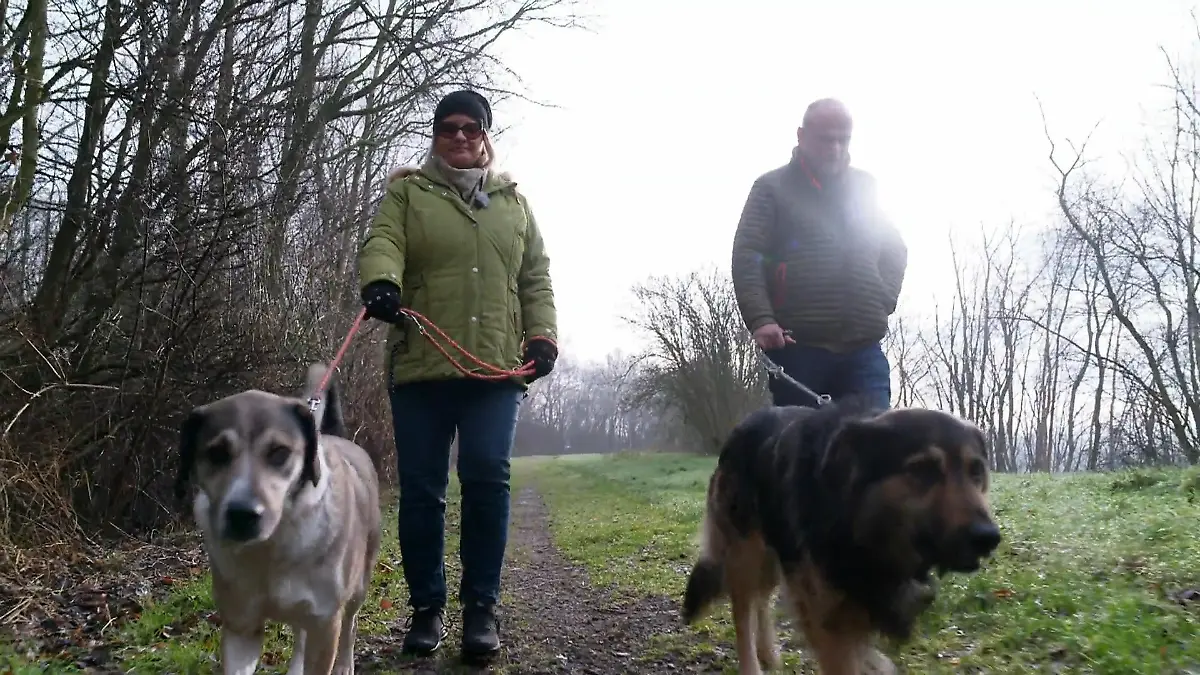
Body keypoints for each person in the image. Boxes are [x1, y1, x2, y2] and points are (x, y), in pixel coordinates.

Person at [356, 89, 559, 661]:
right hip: (421, 367)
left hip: (495, 369)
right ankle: (426, 610)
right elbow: (383, 241)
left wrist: (542, 336)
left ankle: (481, 611)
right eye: (449, 128)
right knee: (422, 490)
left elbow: (536, 277)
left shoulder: (515, 204)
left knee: (488, 477)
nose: (461, 136)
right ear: (436, 135)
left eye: (472, 128)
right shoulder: (407, 192)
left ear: (486, 136)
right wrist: (381, 283)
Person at [731, 98, 907, 410]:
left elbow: (894, 248)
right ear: (801, 136)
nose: (836, 148)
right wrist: (761, 319)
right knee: (802, 450)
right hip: (800, 347)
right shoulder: (771, 188)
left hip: (863, 348)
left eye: (844, 139)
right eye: (827, 140)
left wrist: (882, 297)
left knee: (875, 447)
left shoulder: (866, 186)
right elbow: (748, 254)